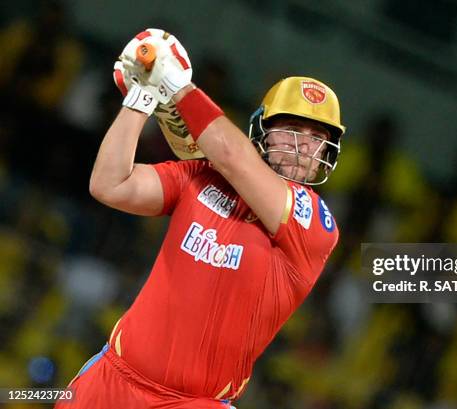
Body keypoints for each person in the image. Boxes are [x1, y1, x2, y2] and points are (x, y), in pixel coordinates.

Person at [56, 29, 345, 408]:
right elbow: (110, 185)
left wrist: (174, 83)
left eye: (315, 136)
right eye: (290, 128)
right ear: (262, 131)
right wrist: (141, 98)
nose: (301, 145)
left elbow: (232, 155)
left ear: (328, 149)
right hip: (113, 377)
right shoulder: (202, 175)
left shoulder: (314, 223)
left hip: (193, 403)